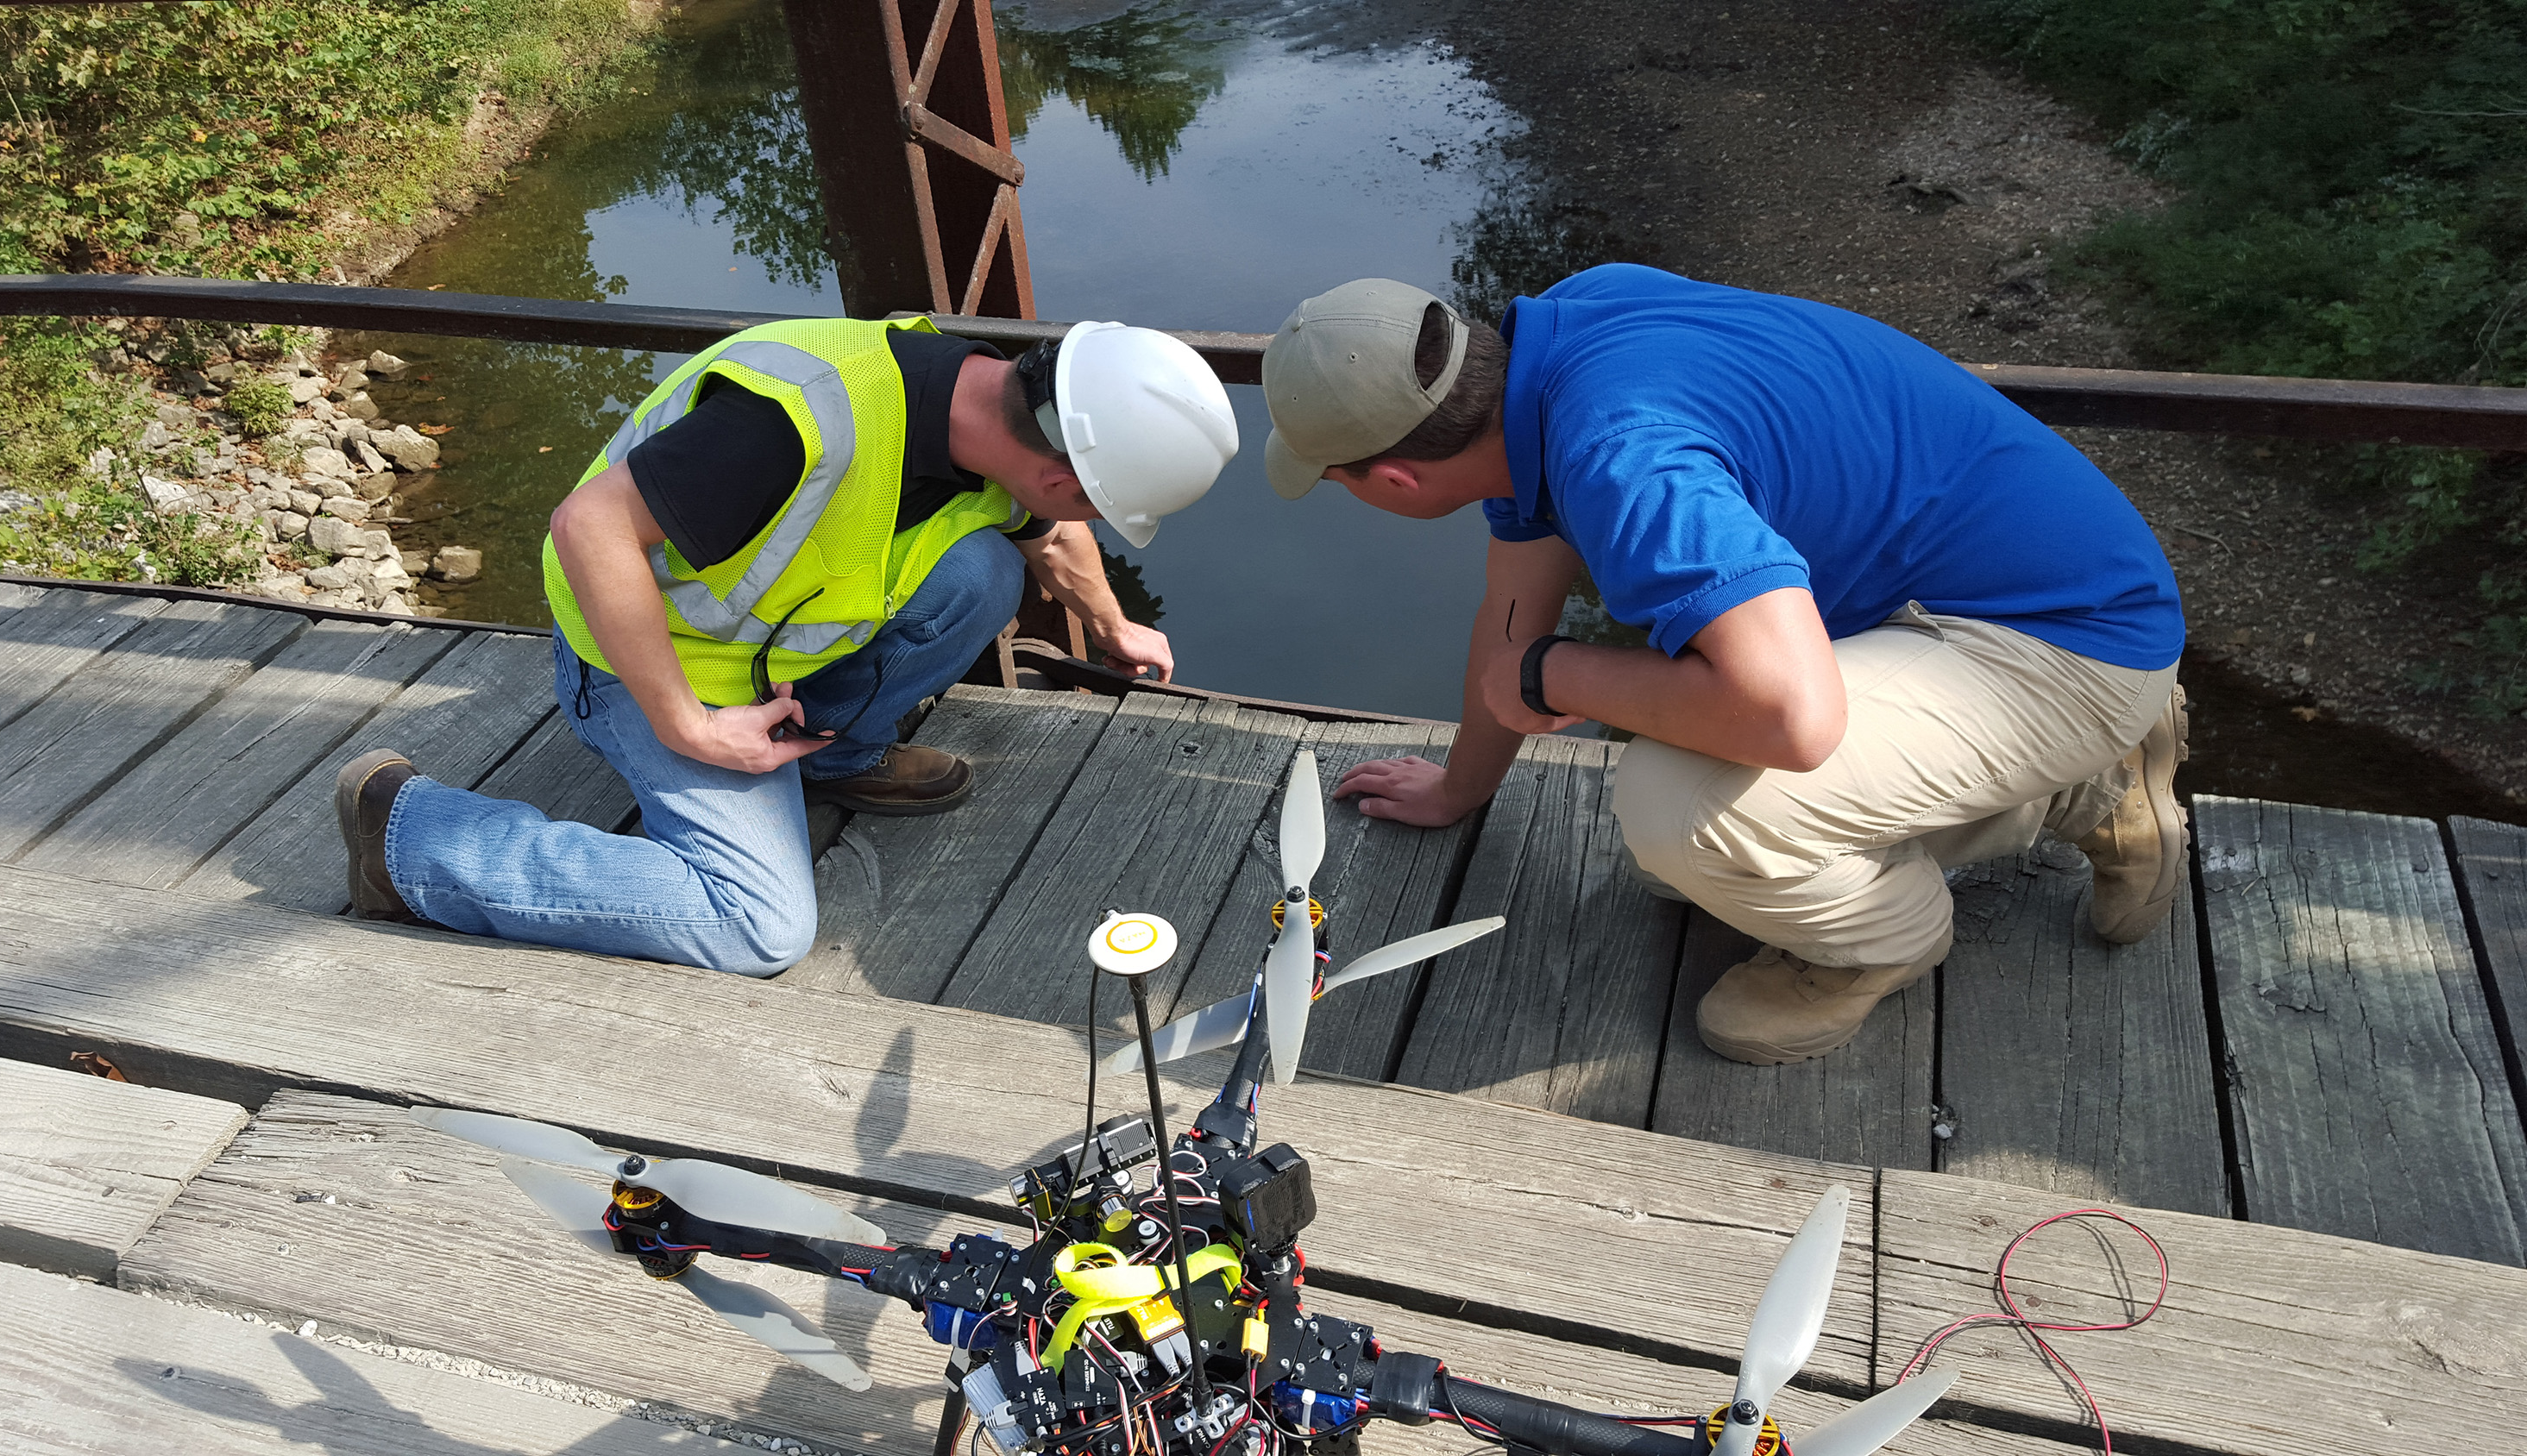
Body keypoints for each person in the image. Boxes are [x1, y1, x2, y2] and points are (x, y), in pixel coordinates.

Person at [1261, 268, 2185, 1065]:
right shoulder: (1561, 341)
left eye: (1335, 477)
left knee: (1679, 813)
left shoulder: (1623, 458)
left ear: (1395, 482)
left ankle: (1891, 937)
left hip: (2062, 644)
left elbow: (1791, 717)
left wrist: (1558, 677)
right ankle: (2072, 786)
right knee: (1683, 866)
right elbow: (1510, 620)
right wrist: (1461, 785)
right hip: (1998, 594)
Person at [333, 314, 1237, 976]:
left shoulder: (988, 402)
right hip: (650, 664)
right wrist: (687, 724)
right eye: (1097, 501)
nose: (1089, 520)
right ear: (1061, 465)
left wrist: (1114, 624)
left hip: (769, 656)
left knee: (985, 575)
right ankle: (411, 838)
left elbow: (1046, 531)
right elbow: (588, 527)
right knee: (756, 926)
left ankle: (837, 755)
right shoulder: (801, 418)